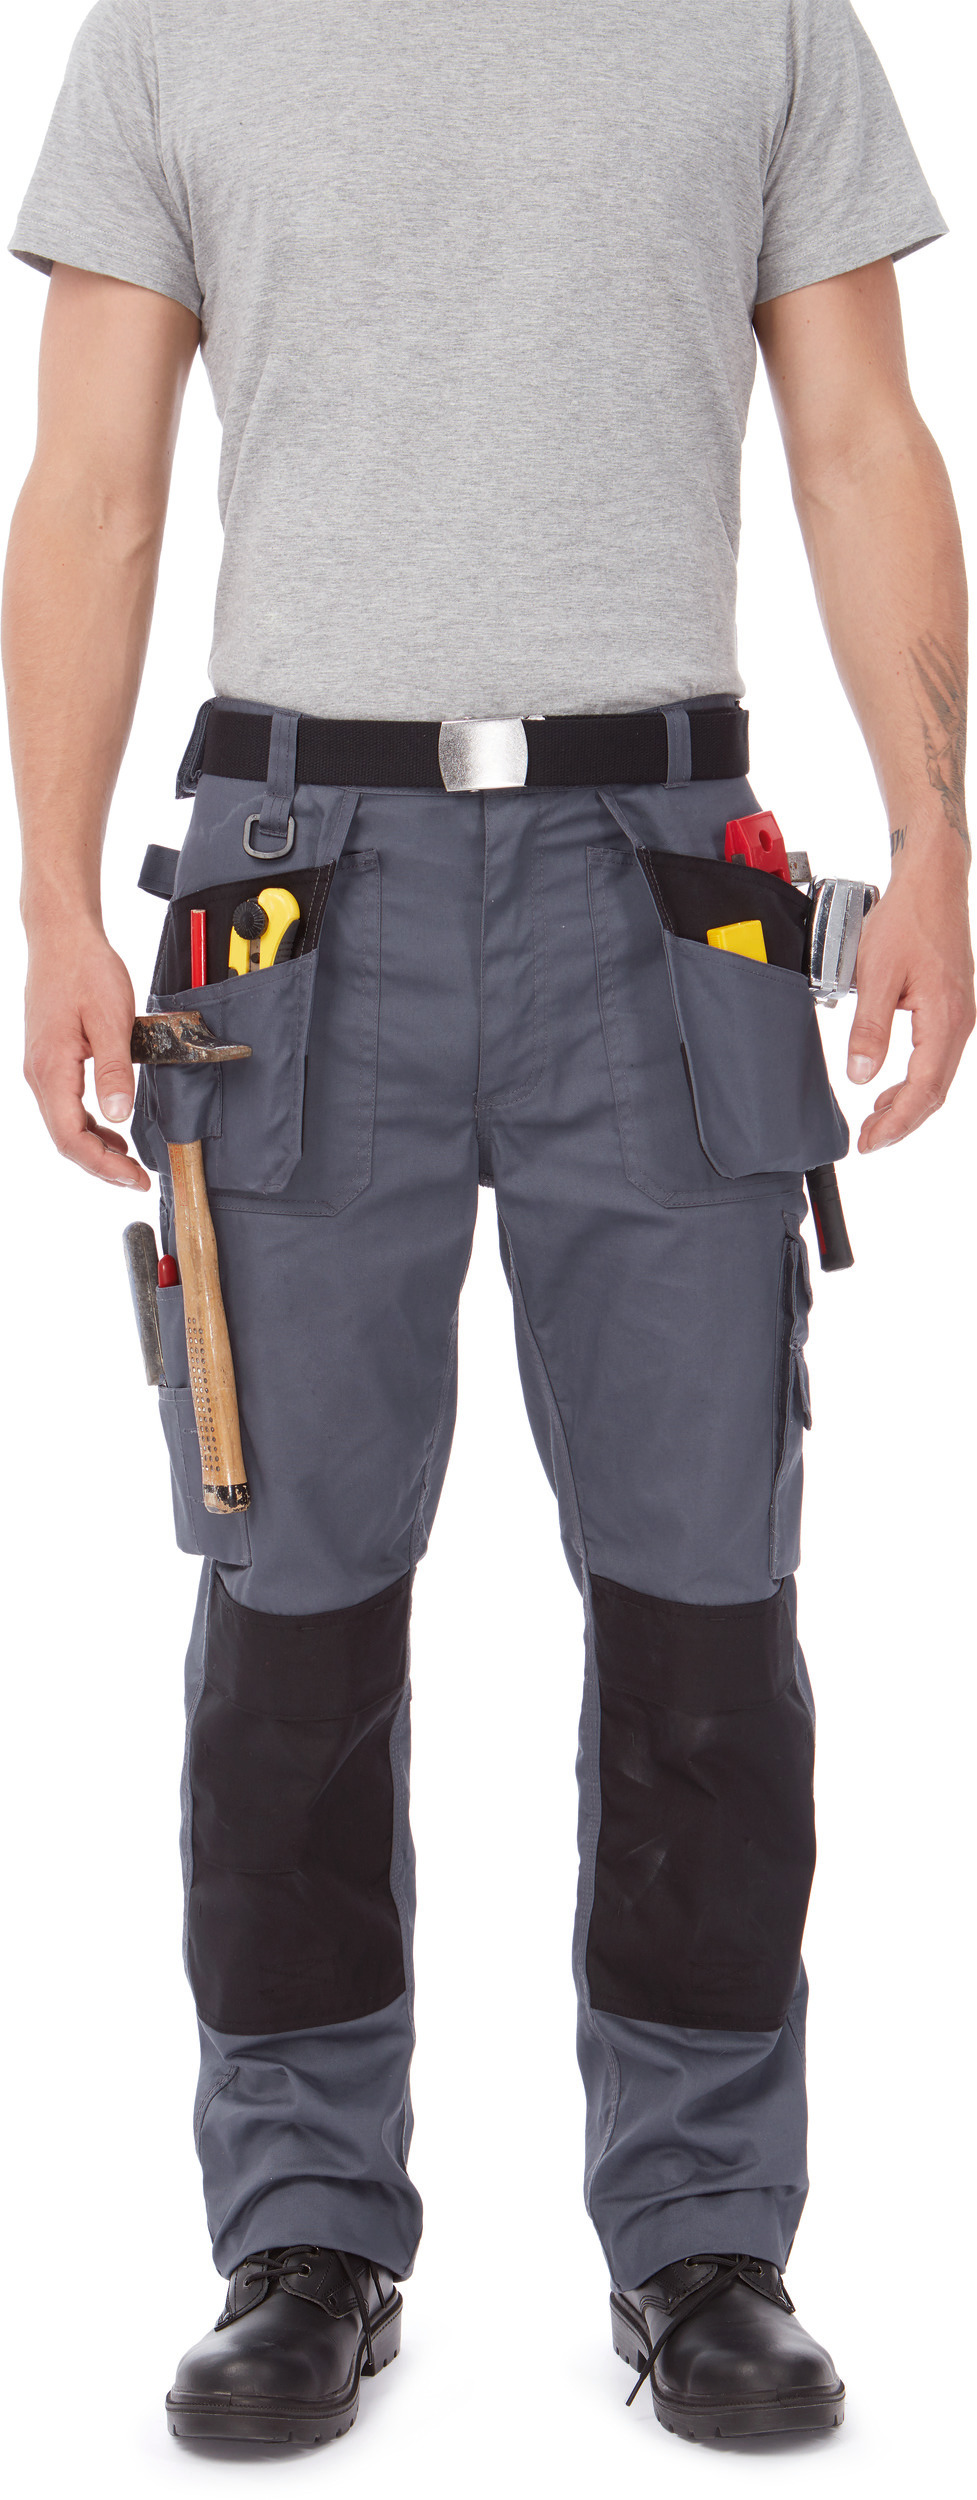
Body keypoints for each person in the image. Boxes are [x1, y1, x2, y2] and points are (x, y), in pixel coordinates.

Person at [4, 0, 972, 2453]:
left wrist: (938, 833)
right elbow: (93, 484)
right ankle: (303, 2226)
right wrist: (56, 900)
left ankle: (705, 2232)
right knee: (295, 1589)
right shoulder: (175, 30)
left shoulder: (763, 14)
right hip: (289, 892)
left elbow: (860, 435)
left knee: (705, 1580)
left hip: (666, 880)